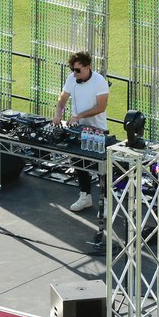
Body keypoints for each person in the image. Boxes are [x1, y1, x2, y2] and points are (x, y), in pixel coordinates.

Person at [51, 50, 109, 211]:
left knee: (100, 168)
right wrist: (58, 114)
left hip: (97, 130)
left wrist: (79, 115)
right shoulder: (72, 79)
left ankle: (105, 203)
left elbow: (101, 107)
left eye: (77, 70)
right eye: (72, 70)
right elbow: (62, 99)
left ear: (87, 67)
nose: (74, 73)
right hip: (78, 129)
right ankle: (85, 196)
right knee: (78, 162)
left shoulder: (99, 81)